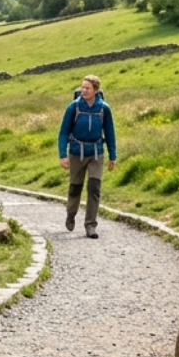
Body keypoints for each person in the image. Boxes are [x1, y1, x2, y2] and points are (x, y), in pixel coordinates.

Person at [57, 74, 116, 237]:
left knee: (94, 188)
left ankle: (90, 225)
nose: (84, 90)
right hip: (76, 152)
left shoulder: (104, 109)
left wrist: (113, 156)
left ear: (96, 90)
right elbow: (63, 133)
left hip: (96, 153)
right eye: (82, 87)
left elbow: (110, 133)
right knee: (75, 187)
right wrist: (63, 155)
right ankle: (71, 214)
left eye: (87, 88)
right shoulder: (73, 107)